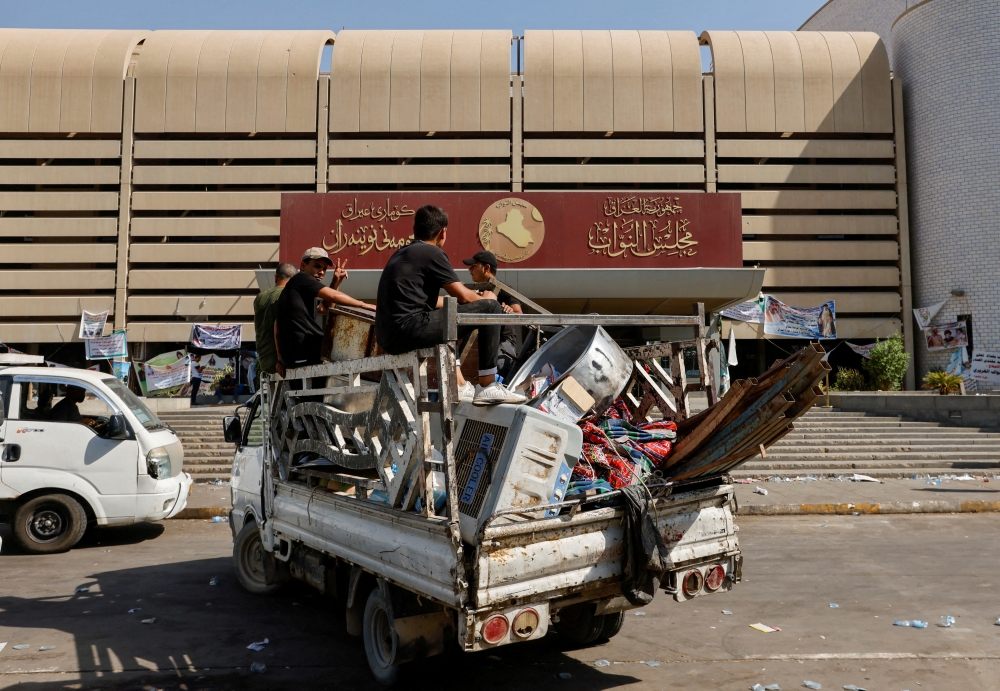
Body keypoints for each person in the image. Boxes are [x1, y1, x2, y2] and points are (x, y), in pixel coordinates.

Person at [375, 205, 526, 406]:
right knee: (491, 308)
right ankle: (487, 385)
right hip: (408, 330)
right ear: (442, 232)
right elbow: (463, 296)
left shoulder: (402, 253)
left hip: (388, 337)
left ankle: (459, 383)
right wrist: (488, 300)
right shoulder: (432, 253)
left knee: (448, 314)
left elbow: (437, 301)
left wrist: (469, 299)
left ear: (415, 229)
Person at [276, 248, 376, 372]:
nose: (321, 272)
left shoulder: (303, 293)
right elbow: (333, 296)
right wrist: (363, 305)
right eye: (317, 266)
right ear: (303, 265)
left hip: (302, 354)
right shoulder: (301, 279)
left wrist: (335, 281)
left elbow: (325, 308)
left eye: (324, 269)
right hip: (303, 353)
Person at [462, 249, 522, 379]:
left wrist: (509, 311)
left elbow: (519, 314)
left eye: (474, 266)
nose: (470, 270)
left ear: (486, 268)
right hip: (484, 339)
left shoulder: (503, 289)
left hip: (503, 340)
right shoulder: (477, 291)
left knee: (499, 367)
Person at [254, 263, 297, 383]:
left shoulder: (260, 297)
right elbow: (279, 327)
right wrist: (280, 359)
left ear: (276, 278)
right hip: (281, 362)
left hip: (265, 359)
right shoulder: (288, 295)